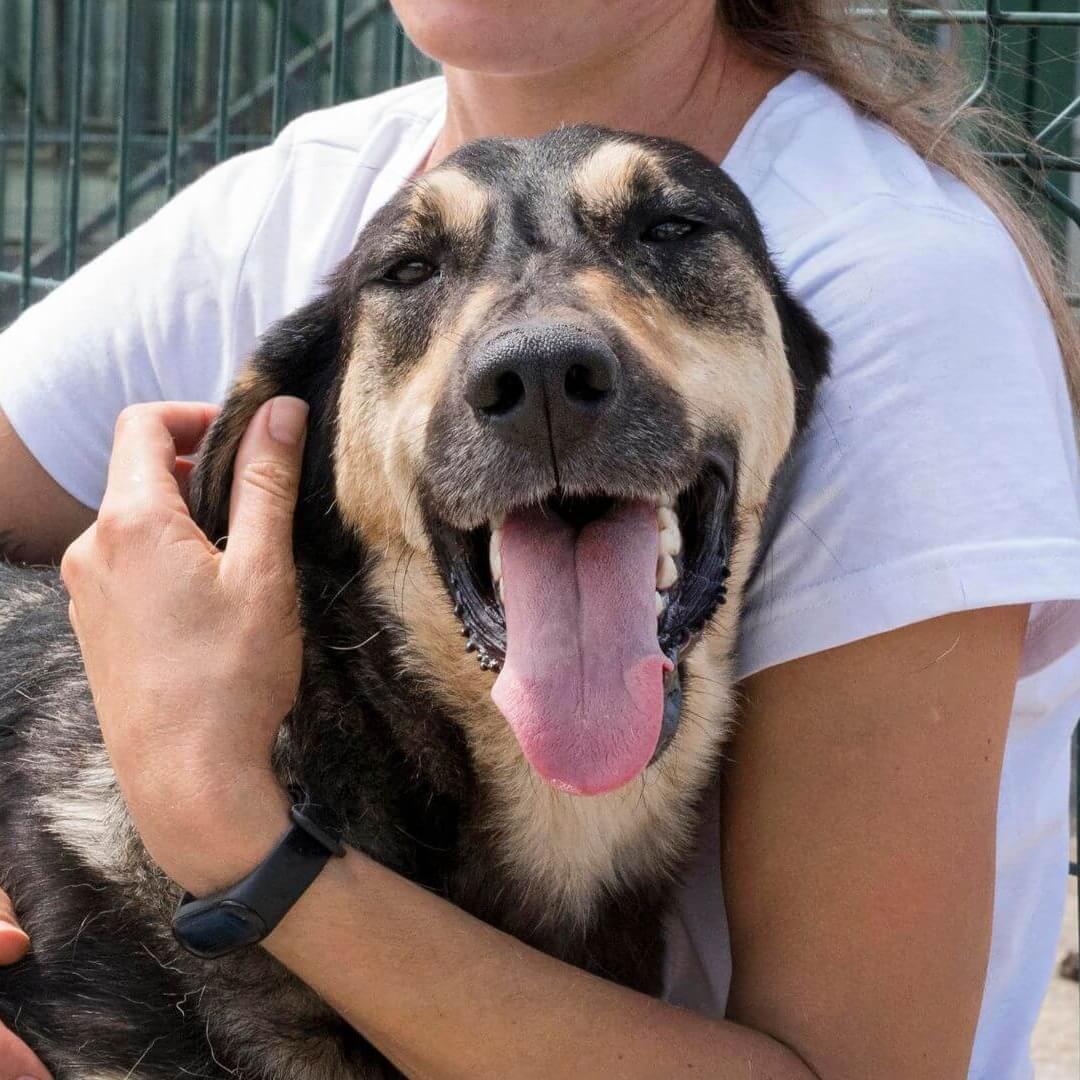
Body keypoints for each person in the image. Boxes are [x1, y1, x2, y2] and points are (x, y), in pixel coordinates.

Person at [0, 1, 1078, 1076]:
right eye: (419, 273)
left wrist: (232, 833)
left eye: (666, 235)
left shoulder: (899, 279)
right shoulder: (298, 191)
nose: (541, 351)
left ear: (800, 379)